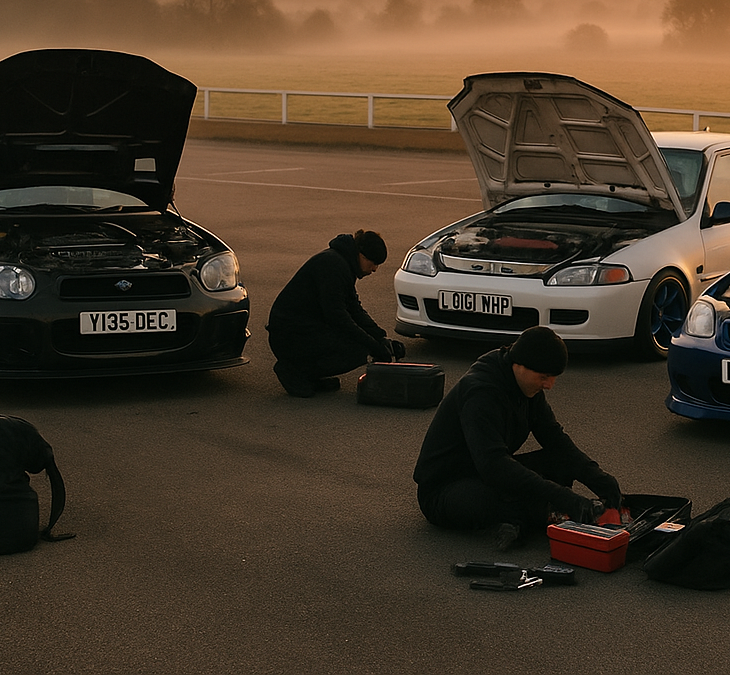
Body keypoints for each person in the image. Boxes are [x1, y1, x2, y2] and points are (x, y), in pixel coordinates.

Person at [413, 325, 622, 550]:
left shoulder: (527, 387)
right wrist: (563, 496)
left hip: (484, 472)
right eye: (543, 377)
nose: (549, 385)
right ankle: (524, 517)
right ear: (520, 365)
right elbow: (493, 466)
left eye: (553, 378)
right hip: (445, 488)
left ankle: (519, 521)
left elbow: (555, 439)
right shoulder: (481, 393)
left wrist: (600, 480)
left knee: (559, 462)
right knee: (506, 498)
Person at [267, 229, 403, 397]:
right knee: (357, 351)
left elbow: (354, 309)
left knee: (357, 344)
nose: (374, 269)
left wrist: (381, 338)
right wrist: (373, 346)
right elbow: (338, 318)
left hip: (304, 330)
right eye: (373, 262)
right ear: (361, 255)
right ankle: (291, 369)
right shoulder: (333, 266)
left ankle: (309, 375)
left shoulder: (342, 264)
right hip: (290, 336)